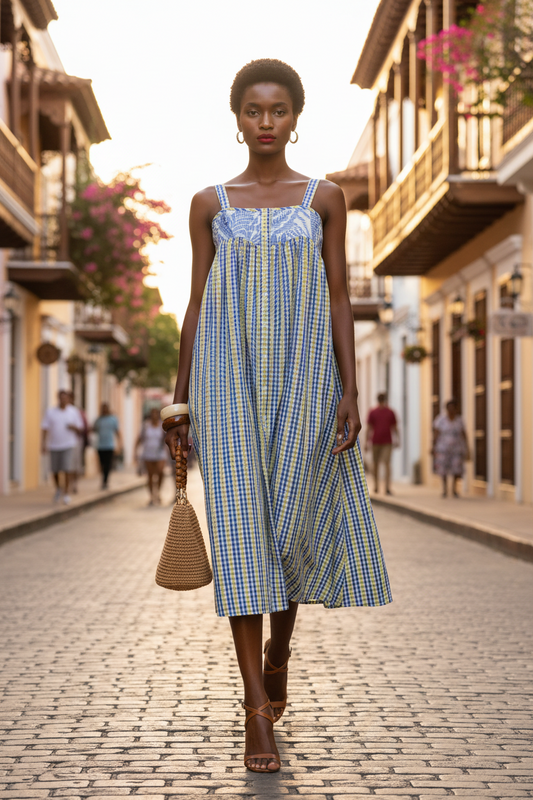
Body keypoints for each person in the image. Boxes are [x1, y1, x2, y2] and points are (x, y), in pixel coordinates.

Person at [162, 59, 392, 774]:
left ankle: (280, 650)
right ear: (236, 118)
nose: (266, 121)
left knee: (287, 530)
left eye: (279, 109)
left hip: (305, 380)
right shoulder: (209, 202)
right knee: (240, 541)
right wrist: (178, 397)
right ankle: (254, 708)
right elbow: (195, 301)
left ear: (295, 117)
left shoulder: (325, 197)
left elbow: (338, 296)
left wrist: (349, 390)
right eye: (254, 109)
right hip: (226, 386)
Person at [41, 389, 83, 505]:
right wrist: (43, 444)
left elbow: (80, 428)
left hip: (69, 445)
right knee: (54, 470)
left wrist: (73, 427)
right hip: (54, 445)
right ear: (58, 398)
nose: (63, 400)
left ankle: (66, 493)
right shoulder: (50, 412)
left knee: (67, 469)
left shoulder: (73, 412)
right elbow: (45, 428)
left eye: (65, 398)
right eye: (61, 398)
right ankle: (58, 489)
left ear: (68, 399)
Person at [432, 399, 469, 497]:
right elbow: (436, 433)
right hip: (443, 448)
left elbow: (464, 434)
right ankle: (445, 489)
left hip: (456, 448)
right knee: (443, 469)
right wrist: (433, 446)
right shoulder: (440, 420)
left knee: (456, 468)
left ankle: (454, 489)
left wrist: (467, 447)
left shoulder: (459, 420)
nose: (451, 410)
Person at [365, 393, 399, 495]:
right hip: (376, 441)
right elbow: (369, 428)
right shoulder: (373, 412)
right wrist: (367, 442)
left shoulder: (390, 412)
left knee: (386, 463)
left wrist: (397, 438)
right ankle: (376, 486)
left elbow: (394, 426)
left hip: (387, 442)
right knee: (376, 464)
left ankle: (387, 487)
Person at [136, 408, 167, 505]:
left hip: (160, 453)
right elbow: (140, 438)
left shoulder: (162, 426)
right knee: (150, 475)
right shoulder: (146, 426)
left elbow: (166, 439)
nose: (154, 415)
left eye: (156, 413)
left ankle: (158, 492)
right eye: (152, 413)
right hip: (148, 453)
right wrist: (135, 451)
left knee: (160, 472)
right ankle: (151, 496)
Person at [92, 403, 122, 490]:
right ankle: (103, 478)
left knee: (108, 464)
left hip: (109, 445)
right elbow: (94, 429)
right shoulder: (99, 420)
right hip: (100, 445)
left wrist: (119, 444)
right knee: (102, 464)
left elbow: (117, 431)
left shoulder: (113, 419)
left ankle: (105, 480)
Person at [67, 391, 89, 494]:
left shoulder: (77, 412)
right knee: (67, 465)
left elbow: (83, 428)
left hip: (75, 442)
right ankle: (68, 484)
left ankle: (74, 483)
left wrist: (73, 428)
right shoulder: (58, 411)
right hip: (63, 443)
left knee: (75, 465)